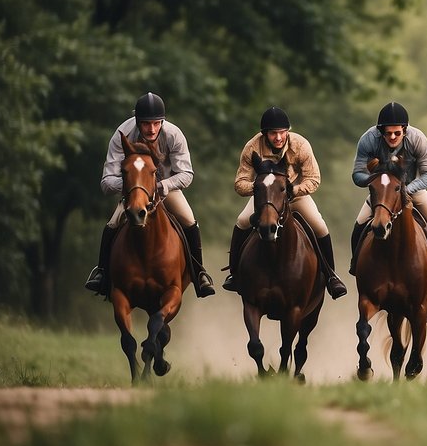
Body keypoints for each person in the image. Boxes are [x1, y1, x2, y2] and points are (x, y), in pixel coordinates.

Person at [84, 92, 217, 298]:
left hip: (166, 188)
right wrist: (134, 185)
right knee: (112, 224)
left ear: (162, 122)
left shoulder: (174, 135)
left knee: (190, 221)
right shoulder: (123, 134)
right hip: (134, 192)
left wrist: (161, 186)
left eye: (156, 123)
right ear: (137, 121)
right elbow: (107, 181)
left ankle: (199, 273)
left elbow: (187, 174)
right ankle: (101, 272)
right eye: (146, 124)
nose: (152, 129)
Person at [222, 106, 347, 299]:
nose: (278, 138)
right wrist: (258, 188)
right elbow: (240, 183)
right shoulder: (252, 147)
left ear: (287, 132)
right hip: (265, 197)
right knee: (242, 220)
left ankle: (331, 276)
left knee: (319, 225)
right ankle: (234, 274)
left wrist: (294, 190)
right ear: (265, 134)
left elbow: (314, 178)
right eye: (273, 133)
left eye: (282, 133)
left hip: (295, 195)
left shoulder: (301, 145)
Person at [350, 102, 427, 291]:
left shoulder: (417, 138)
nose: (392, 137)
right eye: (388, 133)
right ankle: (357, 264)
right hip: (383, 193)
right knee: (360, 223)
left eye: (397, 133)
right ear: (381, 131)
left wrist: (407, 189)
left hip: (412, 188)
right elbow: (357, 174)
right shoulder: (368, 140)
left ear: (404, 130)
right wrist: (376, 181)